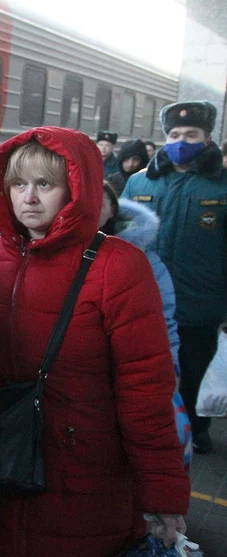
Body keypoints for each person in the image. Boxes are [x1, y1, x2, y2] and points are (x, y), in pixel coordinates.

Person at [0, 126, 190, 557]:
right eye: (18, 184)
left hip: (82, 478)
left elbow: (145, 389)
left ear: (77, 188)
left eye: (45, 184)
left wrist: (162, 496)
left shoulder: (119, 266)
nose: (28, 198)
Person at [122, 100, 227, 455]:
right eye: (175, 134)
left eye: (192, 134)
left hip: (201, 303)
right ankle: (152, 434)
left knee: (193, 373)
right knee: (146, 372)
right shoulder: (139, 183)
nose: (182, 140)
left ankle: (196, 428)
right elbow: (118, 233)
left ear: (208, 138)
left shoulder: (222, 186)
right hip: (144, 300)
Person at [100, 182, 192, 472]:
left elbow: (164, 319)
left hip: (129, 371)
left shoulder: (144, 259)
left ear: (112, 209)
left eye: (98, 201)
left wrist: (170, 365)